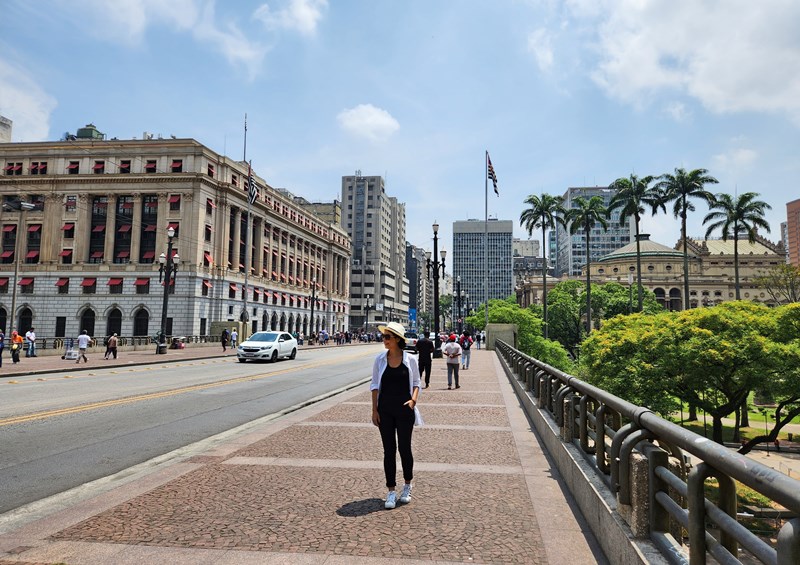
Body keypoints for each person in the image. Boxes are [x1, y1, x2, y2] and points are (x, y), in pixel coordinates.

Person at [370, 321, 421, 510]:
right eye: (384, 337)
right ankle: (391, 490)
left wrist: (413, 401)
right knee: (388, 450)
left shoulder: (411, 360)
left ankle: (407, 485)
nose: (384, 340)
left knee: (405, 449)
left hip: (404, 410)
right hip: (385, 410)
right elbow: (374, 385)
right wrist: (374, 410)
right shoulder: (380, 360)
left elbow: (416, 382)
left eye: (388, 337)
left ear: (397, 340)